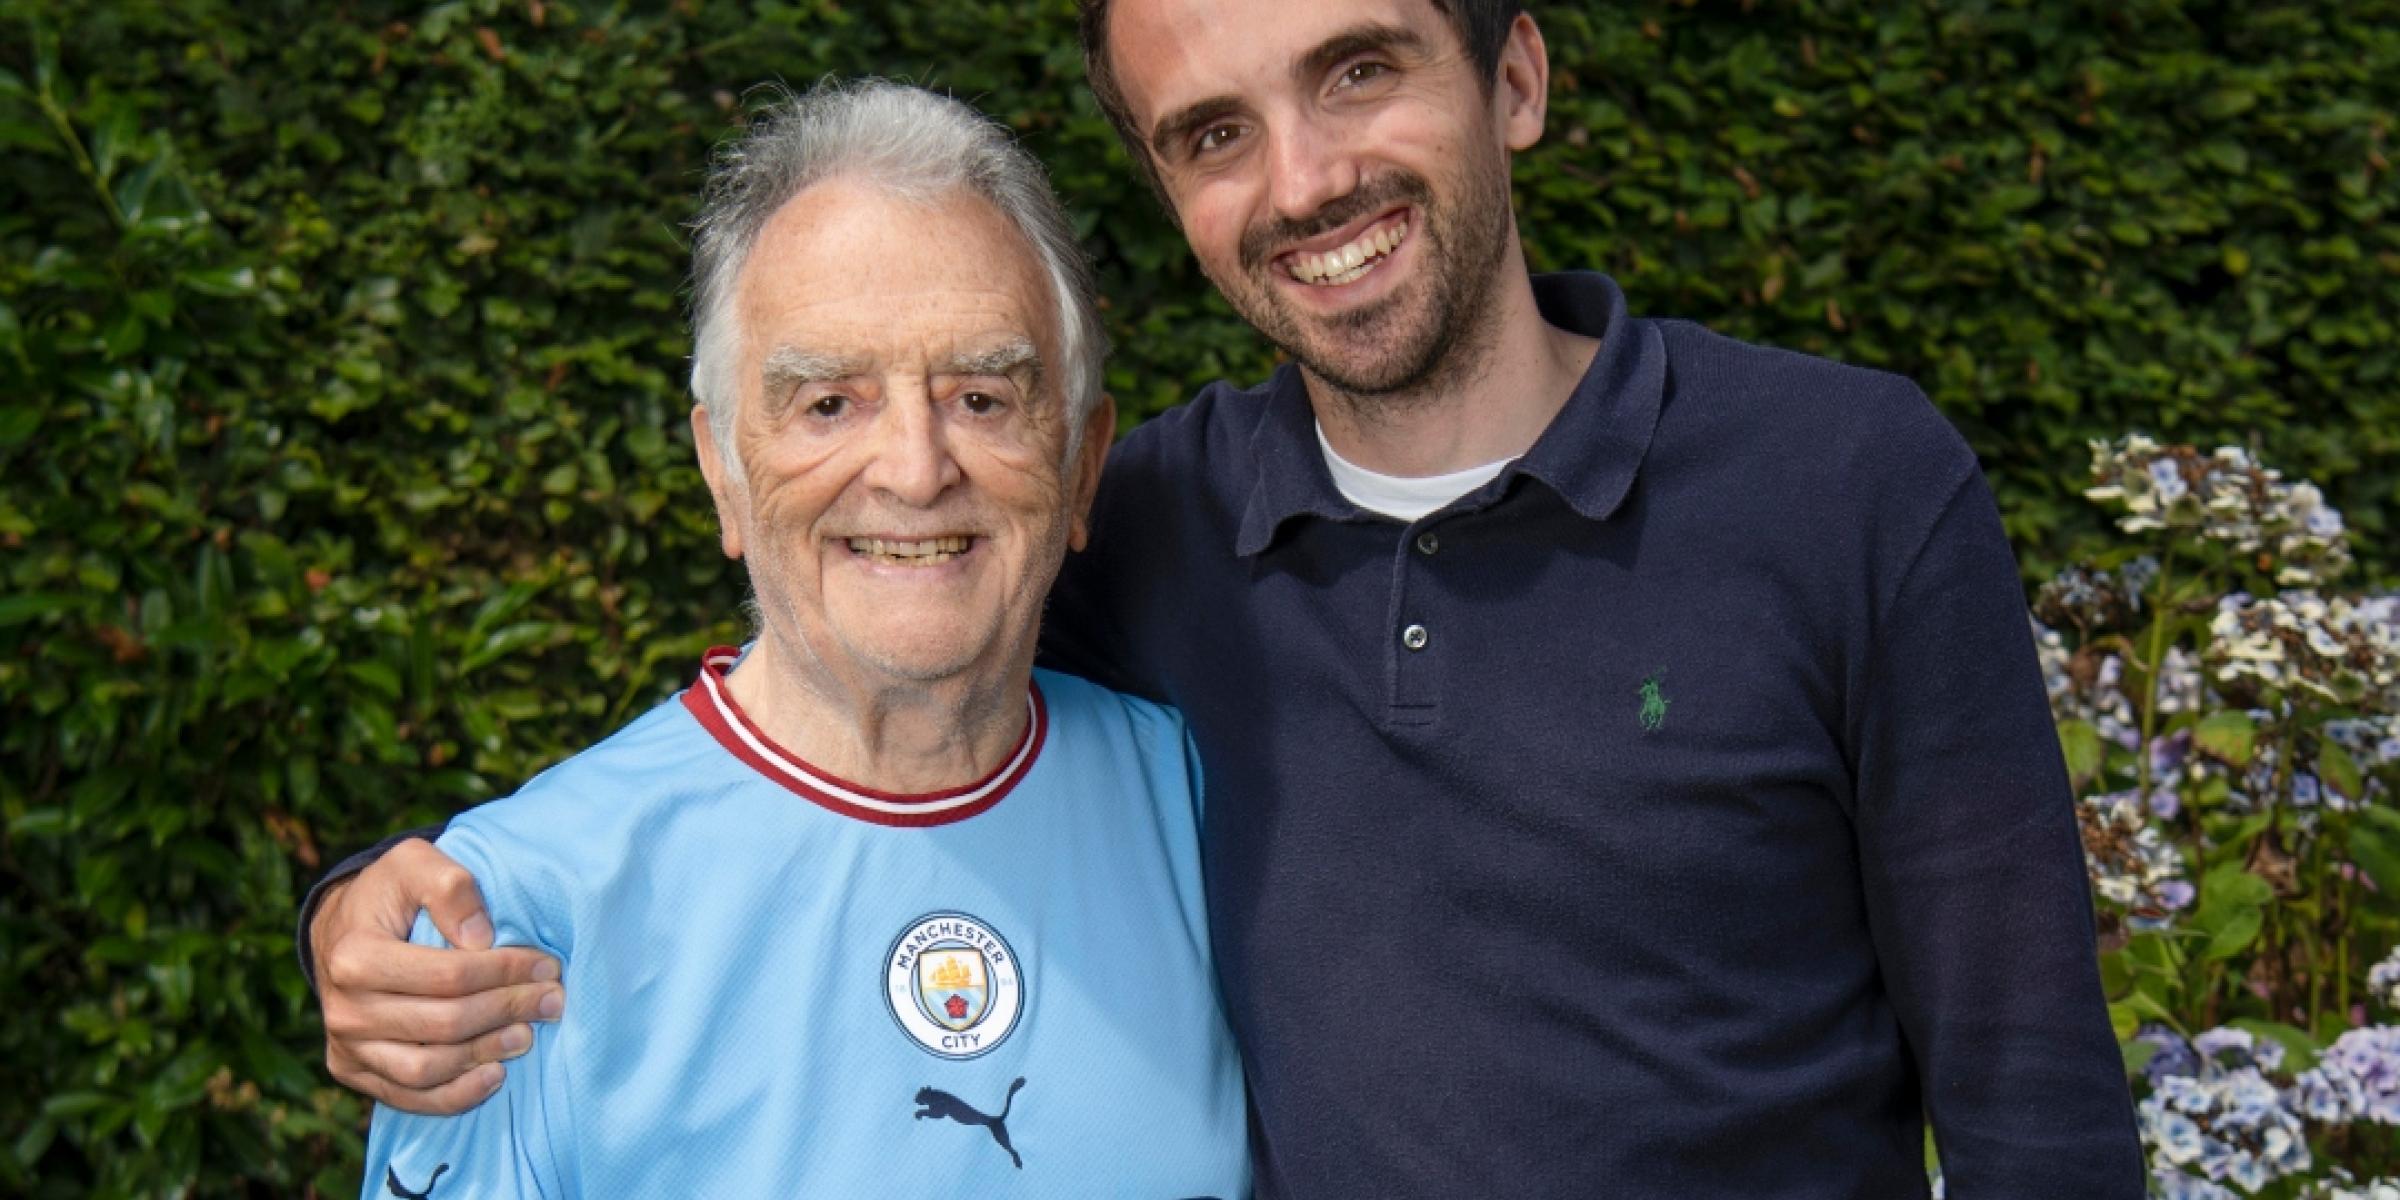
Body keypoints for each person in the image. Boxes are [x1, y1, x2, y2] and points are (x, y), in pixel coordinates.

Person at [310, 1, 2148, 1195]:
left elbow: (2033, 1110)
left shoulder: (1848, 486)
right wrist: (371, 908)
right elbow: (849, 686)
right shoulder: (1159, 527)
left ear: (1513, 76)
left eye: (1359, 69)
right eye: (1211, 133)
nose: (1305, 181)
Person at [355, 79, 1249, 1197]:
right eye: (829, 402)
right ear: (721, 468)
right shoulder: (513, 918)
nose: (916, 470)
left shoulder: (1208, 799)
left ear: (1081, 464)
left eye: (983, 396)